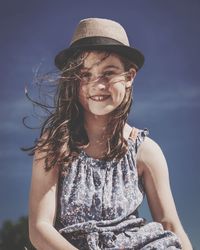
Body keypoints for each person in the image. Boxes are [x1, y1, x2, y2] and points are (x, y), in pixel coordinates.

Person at [27, 18, 193, 249]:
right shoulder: (55, 145)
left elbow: (169, 225)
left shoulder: (146, 151)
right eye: (85, 74)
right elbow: (39, 227)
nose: (98, 84)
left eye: (109, 72)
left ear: (129, 77)